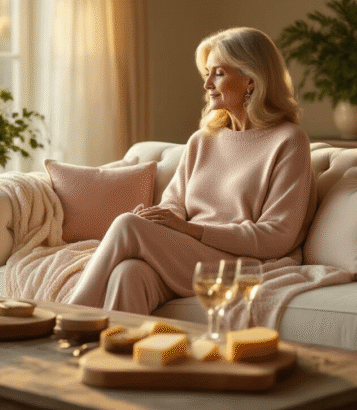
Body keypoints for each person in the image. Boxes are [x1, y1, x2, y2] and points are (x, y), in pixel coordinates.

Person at [66, 27, 316, 315]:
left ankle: (67, 317)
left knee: (126, 225)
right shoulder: (203, 140)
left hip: (242, 262)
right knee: (129, 273)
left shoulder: (289, 141)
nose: (207, 83)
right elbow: (174, 202)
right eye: (207, 73)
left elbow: (277, 236)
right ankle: (114, 357)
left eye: (219, 73)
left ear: (250, 79)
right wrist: (157, 220)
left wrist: (192, 231)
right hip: (190, 254)